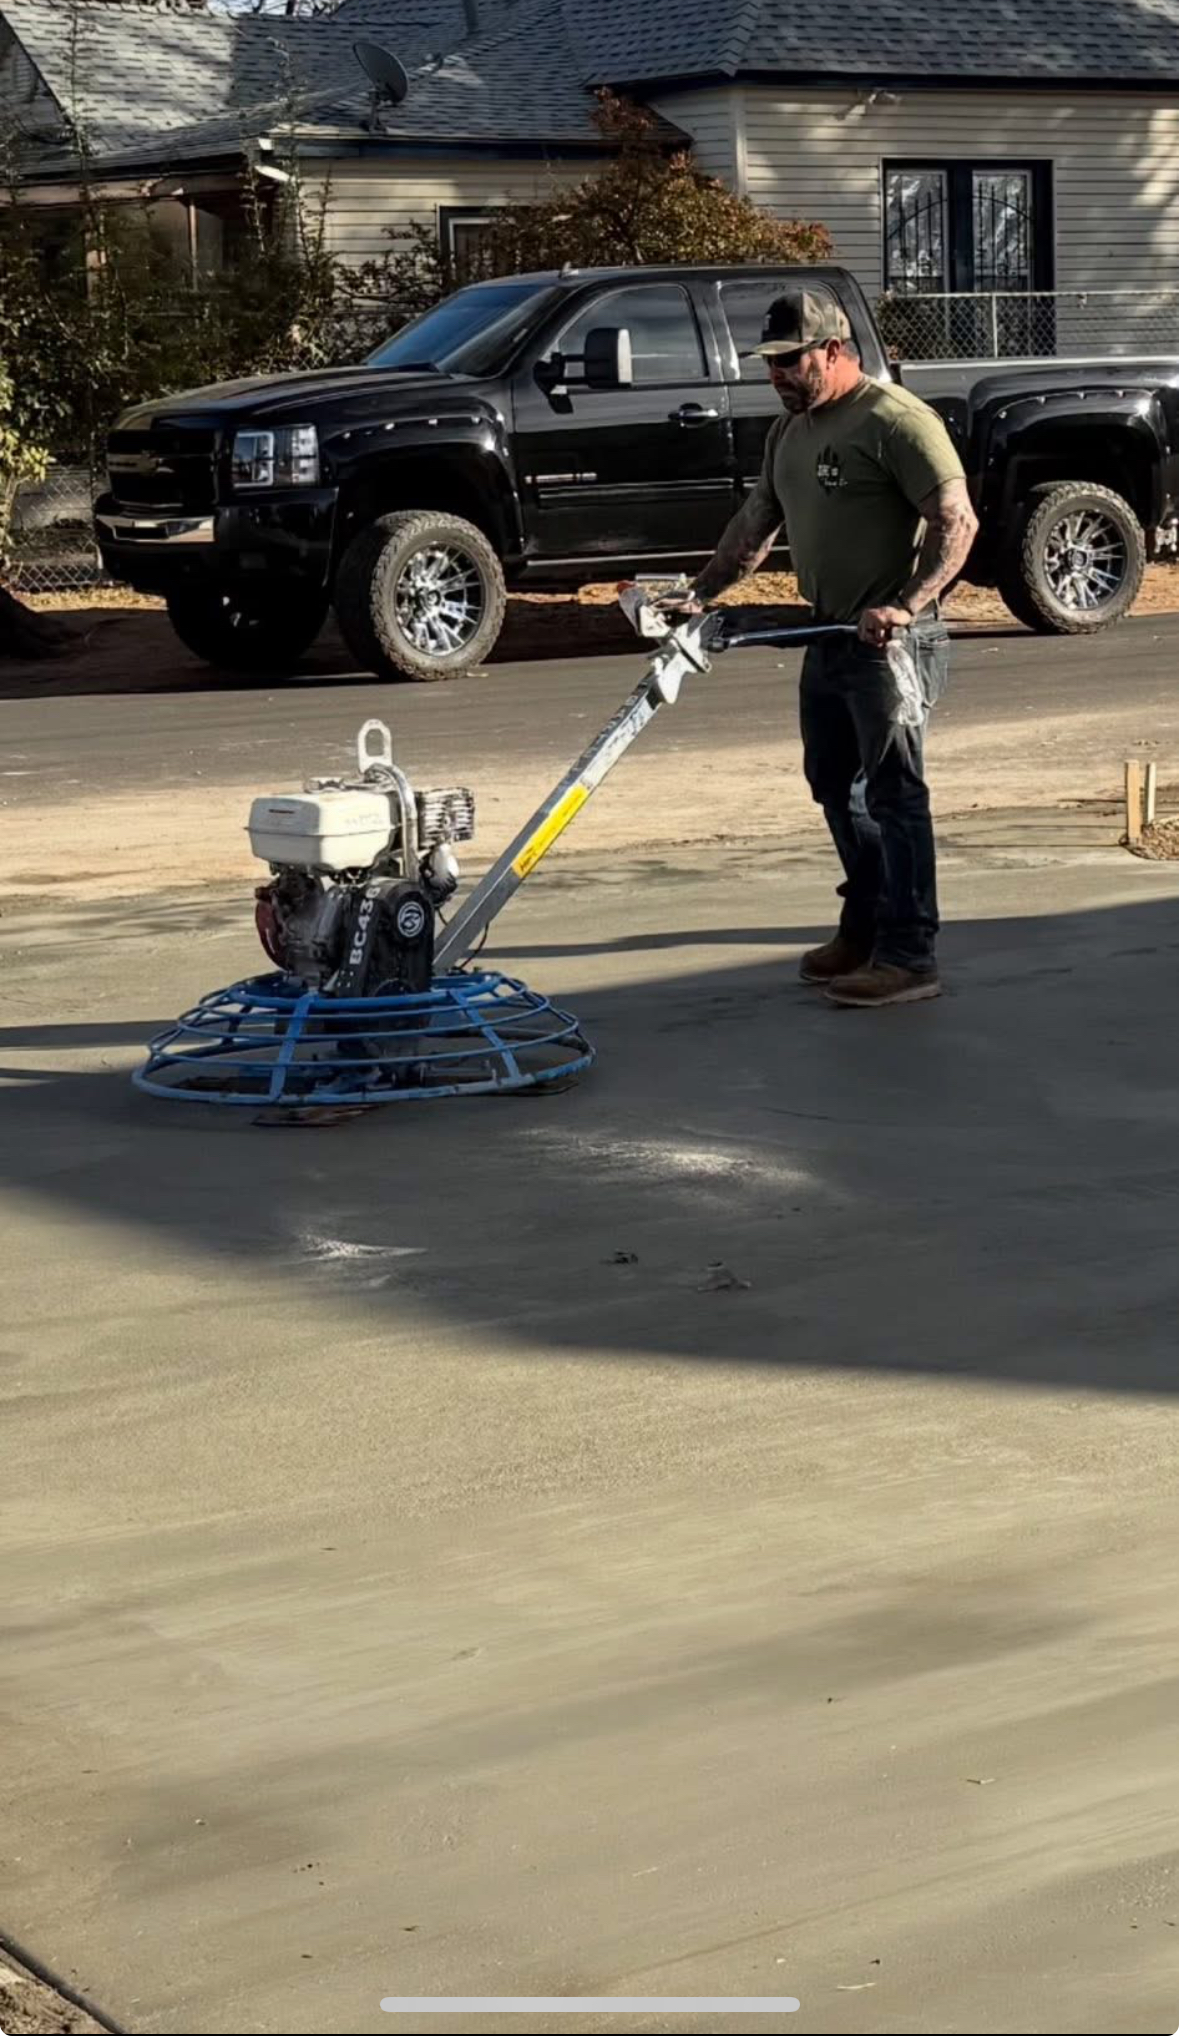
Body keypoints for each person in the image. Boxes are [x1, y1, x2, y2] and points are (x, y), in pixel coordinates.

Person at [687, 289, 979, 1008]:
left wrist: (905, 607)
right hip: (826, 634)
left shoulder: (895, 421)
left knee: (893, 793)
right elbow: (755, 524)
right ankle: (865, 926)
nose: (779, 376)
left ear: (834, 350)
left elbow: (956, 521)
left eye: (792, 361)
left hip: (891, 644)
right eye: (771, 364)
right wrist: (697, 595)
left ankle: (909, 955)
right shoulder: (788, 434)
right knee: (831, 783)